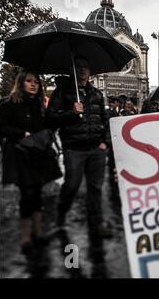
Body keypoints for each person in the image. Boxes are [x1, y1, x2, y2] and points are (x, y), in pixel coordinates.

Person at [47, 56, 112, 237]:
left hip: (96, 149)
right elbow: (50, 118)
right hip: (74, 148)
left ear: (90, 71)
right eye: (78, 67)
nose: (82, 70)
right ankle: (60, 216)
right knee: (72, 185)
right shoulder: (62, 92)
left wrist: (104, 143)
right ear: (72, 70)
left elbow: (105, 121)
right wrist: (71, 113)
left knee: (95, 188)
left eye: (85, 67)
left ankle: (96, 224)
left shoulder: (97, 94)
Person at [0, 70, 61, 255]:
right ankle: (26, 238)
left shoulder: (41, 105)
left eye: (36, 82)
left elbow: (50, 125)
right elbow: (0, 127)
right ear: (21, 82)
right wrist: (20, 134)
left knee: (38, 194)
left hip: (38, 154)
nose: (34, 84)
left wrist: (73, 112)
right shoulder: (9, 103)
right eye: (29, 81)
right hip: (20, 154)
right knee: (28, 194)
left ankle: (38, 233)